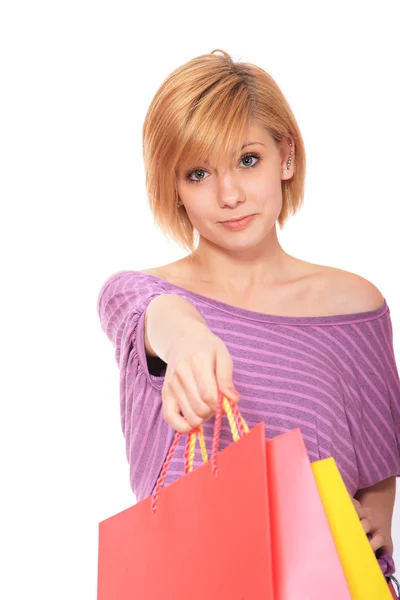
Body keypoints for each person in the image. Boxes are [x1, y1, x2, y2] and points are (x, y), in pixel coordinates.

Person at [97, 49, 400, 595]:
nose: (229, 194)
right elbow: (149, 315)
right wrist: (188, 339)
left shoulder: (354, 307)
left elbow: (377, 465)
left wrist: (377, 522)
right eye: (199, 173)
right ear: (176, 189)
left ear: (286, 156)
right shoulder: (147, 296)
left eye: (248, 160)